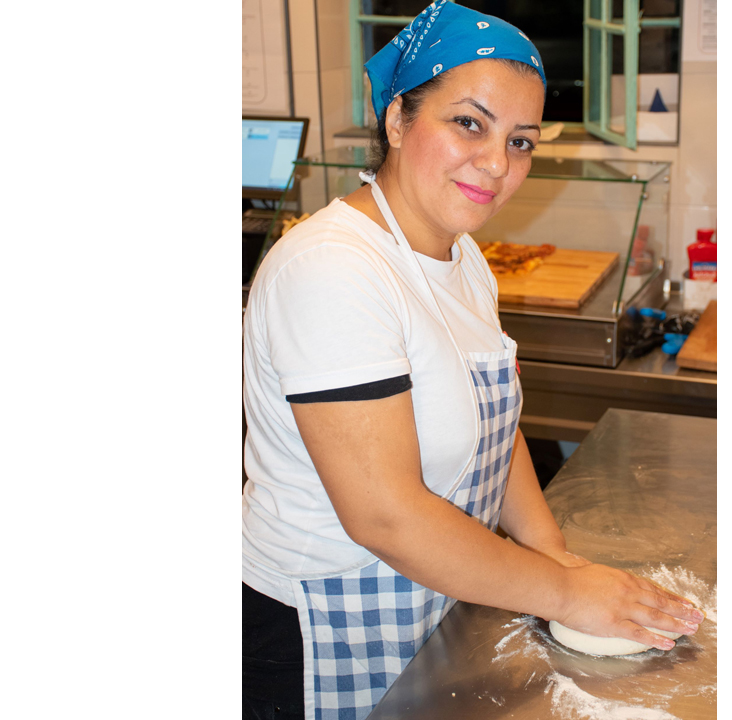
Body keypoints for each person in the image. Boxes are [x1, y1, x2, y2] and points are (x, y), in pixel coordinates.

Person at [241, 3, 705, 718]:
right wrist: (564, 592)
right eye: (468, 123)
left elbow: (496, 429)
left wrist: (554, 554)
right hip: (316, 632)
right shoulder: (333, 269)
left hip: (433, 598)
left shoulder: (462, 259)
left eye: (520, 141)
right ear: (398, 119)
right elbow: (385, 517)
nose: (496, 163)